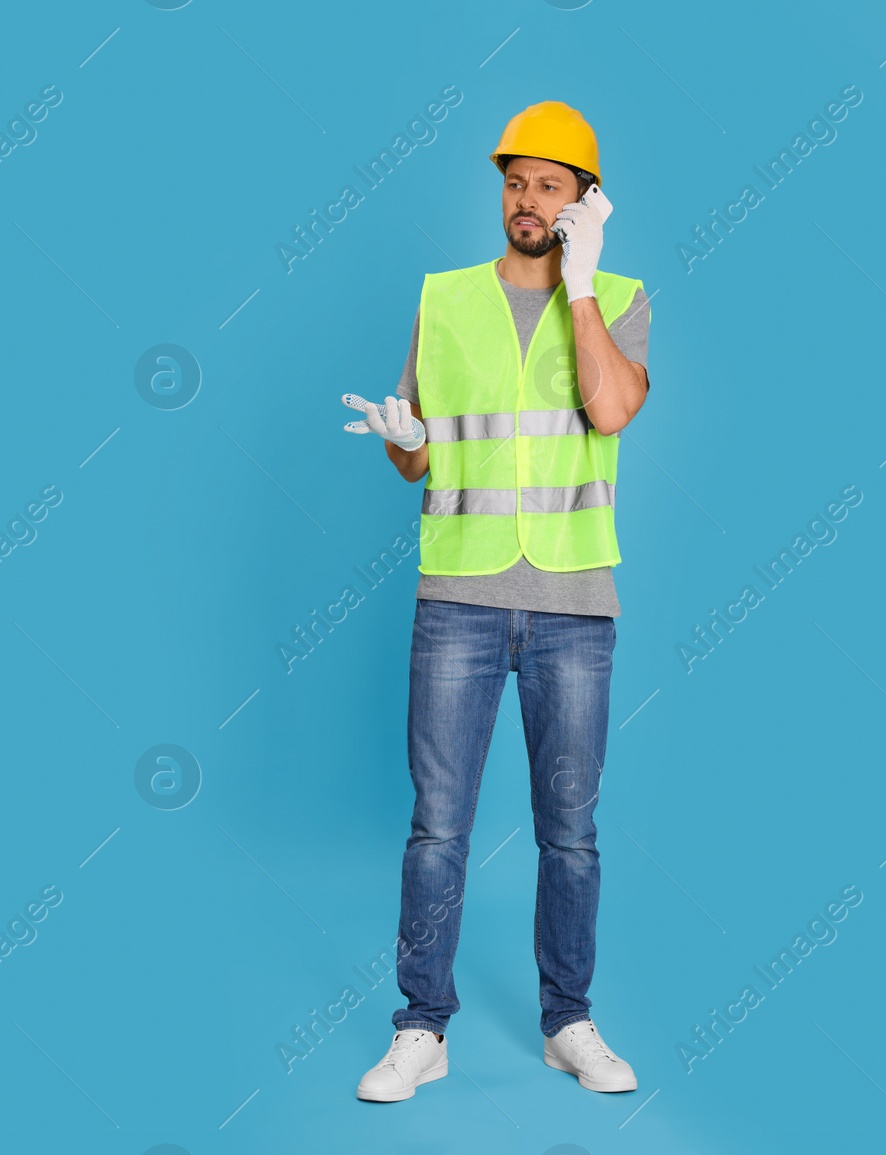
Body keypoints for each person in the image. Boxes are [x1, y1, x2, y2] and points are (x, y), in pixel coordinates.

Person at [342, 100, 651, 1103]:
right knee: (438, 826)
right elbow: (416, 456)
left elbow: (610, 408)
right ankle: (421, 1029)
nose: (526, 200)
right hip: (460, 599)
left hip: (571, 601)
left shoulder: (621, 297)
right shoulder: (445, 299)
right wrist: (403, 440)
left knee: (570, 829)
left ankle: (569, 1023)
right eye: (515, 183)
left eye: (549, 186)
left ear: (583, 203)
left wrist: (581, 286)